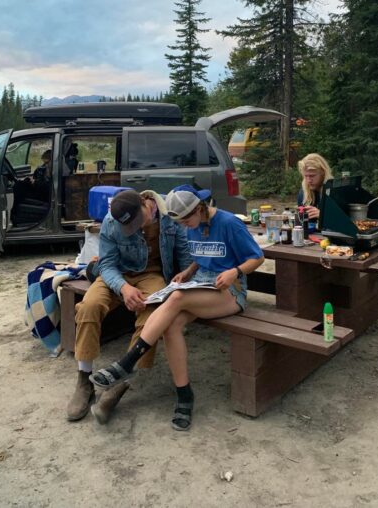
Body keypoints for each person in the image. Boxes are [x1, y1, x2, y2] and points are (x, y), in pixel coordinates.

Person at [90, 184, 264, 431]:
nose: (184, 226)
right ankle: (184, 395)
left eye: (186, 220)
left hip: (230, 291)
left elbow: (257, 257)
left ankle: (126, 364)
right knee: (171, 326)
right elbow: (199, 256)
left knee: (176, 298)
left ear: (200, 209)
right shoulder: (191, 225)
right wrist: (188, 271)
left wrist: (234, 271)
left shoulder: (229, 223)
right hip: (201, 286)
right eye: (179, 222)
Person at [66, 188, 192, 424]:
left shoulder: (169, 215)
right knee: (89, 306)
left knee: (153, 315)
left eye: (136, 224)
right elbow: (107, 264)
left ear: (145, 205)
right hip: (116, 275)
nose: (132, 231)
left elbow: (184, 256)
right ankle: (84, 380)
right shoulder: (111, 220)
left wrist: (185, 282)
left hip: (151, 275)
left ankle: (120, 384)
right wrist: (123, 288)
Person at [297, 153, 333, 229]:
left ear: (323, 173)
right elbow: (301, 223)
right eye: (305, 176)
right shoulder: (303, 193)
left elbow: (344, 223)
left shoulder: (333, 191)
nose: (308, 180)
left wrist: (323, 216)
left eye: (312, 176)